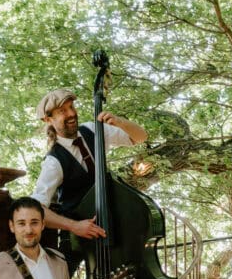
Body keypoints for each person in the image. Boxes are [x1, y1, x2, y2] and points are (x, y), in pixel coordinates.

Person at [31, 87, 147, 240]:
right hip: (79, 242)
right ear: (48, 119)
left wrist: (120, 122)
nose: (71, 114)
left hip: (112, 227)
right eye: (62, 111)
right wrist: (73, 226)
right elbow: (35, 209)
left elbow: (141, 137)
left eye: (71, 107)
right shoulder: (53, 162)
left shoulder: (92, 130)